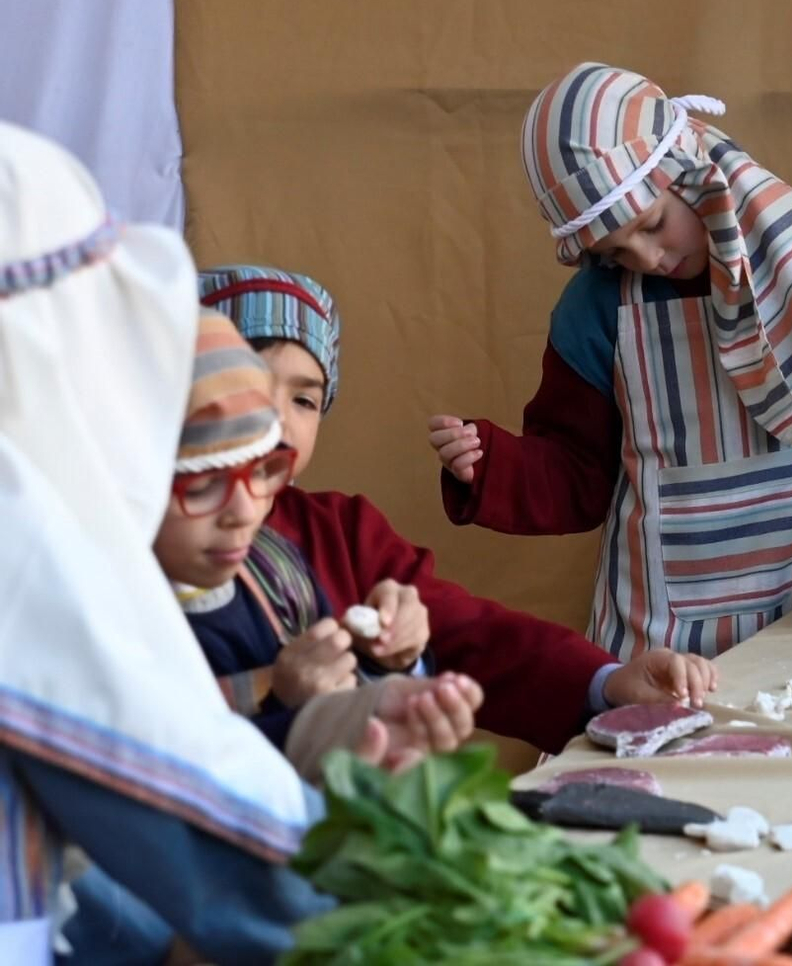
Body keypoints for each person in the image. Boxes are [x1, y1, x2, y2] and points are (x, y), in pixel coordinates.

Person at [0, 121, 456, 965]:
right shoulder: (25, 547)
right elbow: (171, 787)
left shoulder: (285, 555)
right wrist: (354, 852)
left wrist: (359, 710)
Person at [429, 63, 792, 659]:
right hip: (653, 647)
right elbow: (579, 474)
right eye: (615, 251)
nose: (647, 258)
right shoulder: (595, 308)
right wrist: (494, 466)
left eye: (652, 225)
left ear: (691, 175)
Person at [198, 265, 719, 755]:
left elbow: (472, 636)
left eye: (305, 401)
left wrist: (604, 682)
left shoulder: (341, 530)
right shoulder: (159, 548)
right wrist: (275, 694)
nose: (278, 419)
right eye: (253, 386)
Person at [160, 310, 482, 768]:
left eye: (262, 471)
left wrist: (382, 673)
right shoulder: (119, 619)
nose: (245, 511)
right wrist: (289, 706)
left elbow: (343, 688)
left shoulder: (278, 563)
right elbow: (162, 772)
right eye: (202, 484)